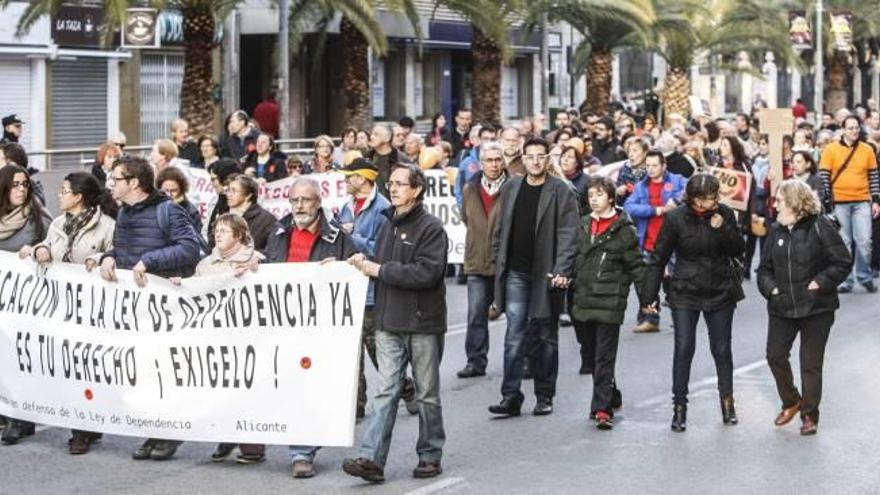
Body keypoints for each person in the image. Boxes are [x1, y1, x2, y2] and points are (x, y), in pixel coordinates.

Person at [344, 163, 448, 483]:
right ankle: (371, 458)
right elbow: (378, 263)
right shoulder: (387, 223)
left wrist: (378, 270)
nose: (393, 188)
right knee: (386, 391)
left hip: (421, 324)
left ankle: (430, 455)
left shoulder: (431, 228)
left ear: (416, 190)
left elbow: (427, 273)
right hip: (389, 322)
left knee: (427, 393)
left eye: (401, 184)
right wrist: (362, 262)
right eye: (391, 183)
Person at [99, 156, 202, 460]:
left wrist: (151, 261)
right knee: (143, 373)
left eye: (115, 178)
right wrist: (109, 256)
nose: (110, 184)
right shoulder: (125, 213)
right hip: (135, 307)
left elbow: (190, 247)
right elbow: (123, 248)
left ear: (134, 183)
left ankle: (169, 432)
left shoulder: (167, 210)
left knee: (164, 372)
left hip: (165, 307)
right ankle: (153, 430)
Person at [264, 176, 358, 477]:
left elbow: (357, 266)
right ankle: (299, 448)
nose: (299, 206)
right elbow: (268, 271)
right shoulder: (278, 233)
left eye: (305, 200)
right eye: (294, 200)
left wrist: (342, 269)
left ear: (318, 202)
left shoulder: (338, 238)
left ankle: (302, 451)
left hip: (321, 328)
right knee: (291, 387)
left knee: (312, 388)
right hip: (285, 325)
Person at [640, 173, 745, 432]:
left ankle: (727, 402)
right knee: (684, 348)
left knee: (721, 349)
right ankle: (679, 407)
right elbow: (658, 257)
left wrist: (724, 229)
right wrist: (648, 296)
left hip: (720, 289)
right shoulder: (675, 218)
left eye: (715, 198)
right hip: (685, 290)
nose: (714, 202)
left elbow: (738, 249)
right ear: (696, 200)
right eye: (709, 199)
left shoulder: (725, 214)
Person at [21, 172, 115, 453]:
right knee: (70, 368)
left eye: (64, 191)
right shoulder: (58, 224)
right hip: (61, 309)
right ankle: (84, 425)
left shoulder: (107, 226)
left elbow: (115, 255)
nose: (59, 195)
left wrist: (99, 259)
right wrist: (40, 249)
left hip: (93, 311)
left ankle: (83, 430)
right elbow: (49, 246)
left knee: (87, 368)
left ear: (79, 197)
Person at [488, 137, 580, 418]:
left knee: (545, 336)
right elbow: (501, 227)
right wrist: (496, 258)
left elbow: (569, 233)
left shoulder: (561, 190)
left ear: (547, 159)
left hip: (547, 275)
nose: (536, 161)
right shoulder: (512, 186)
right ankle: (510, 396)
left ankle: (544, 395)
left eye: (541, 156)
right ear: (523, 159)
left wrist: (562, 269)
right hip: (515, 272)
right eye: (531, 156)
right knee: (514, 335)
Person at [757, 180, 851, 436]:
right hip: (782, 305)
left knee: (810, 364)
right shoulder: (775, 231)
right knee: (775, 356)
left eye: (780, 201)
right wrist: (771, 289)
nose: (775, 206)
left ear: (795, 203)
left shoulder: (820, 226)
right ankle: (791, 401)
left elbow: (842, 261)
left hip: (817, 307)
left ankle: (810, 414)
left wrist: (820, 282)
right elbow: (763, 270)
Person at [183, 213, 266, 465]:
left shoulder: (257, 261)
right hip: (216, 335)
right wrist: (181, 286)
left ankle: (253, 446)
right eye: (216, 230)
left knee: (247, 389)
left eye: (225, 231)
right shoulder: (206, 264)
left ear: (239, 235)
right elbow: (195, 291)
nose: (217, 234)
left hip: (247, 336)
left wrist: (254, 272)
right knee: (221, 387)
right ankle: (227, 435)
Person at [336, 158, 413, 420]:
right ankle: (355, 405)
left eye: (350, 176)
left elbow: (381, 250)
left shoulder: (383, 209)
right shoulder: (345, 207)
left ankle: (406, 388)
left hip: (372, 292)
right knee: (349, 352)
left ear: (363, 178)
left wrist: (350, 236)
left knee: (378, 352)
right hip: (349, 289)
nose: (345, 181)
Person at [572, 176, 644, 430]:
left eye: (599, 195)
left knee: (604, 357)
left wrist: (648, 300)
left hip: (609, 301)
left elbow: (637, 266)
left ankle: (602, 409)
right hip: (582, 298)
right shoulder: (583, 225)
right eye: (591, 195)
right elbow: (573, 256)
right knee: (590, 357)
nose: (594, 199)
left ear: (611, 198)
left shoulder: (624, 230)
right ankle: (610, 393)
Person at [0, 165, 51, 445]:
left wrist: (36, 250)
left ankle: (19, 418)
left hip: (26, 304)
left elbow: (56, 243)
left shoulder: (37, 216)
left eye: (25, 185)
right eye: (15, 185)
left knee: (18, 360)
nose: (21, 189)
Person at [457, 142, 508, 379]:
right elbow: (467, 218)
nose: (494, 165)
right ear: (482, 162)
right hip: (477, 260)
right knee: (476, 314)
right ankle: (475, 361)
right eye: (489, 160)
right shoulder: (470, 188)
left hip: (506, 262)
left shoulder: (513, 187)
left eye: (498, 160)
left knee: (517, 315)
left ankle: (524, 360)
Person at [624, 150, 686, 333]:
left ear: (664, 166)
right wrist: (654, 210)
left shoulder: (676, 180)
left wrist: (676, 200)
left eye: (654, 165)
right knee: (646, 284)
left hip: (673, 242)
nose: (650, 169)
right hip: (649, 242)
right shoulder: (641, 186)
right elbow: (629, 206)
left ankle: (679, 318)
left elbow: (691, 188)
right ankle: (651, 317)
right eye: (647, 165)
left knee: (675, 282)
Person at [819, 115, 880, 293]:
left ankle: (864, 275)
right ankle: (847, 280)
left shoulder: (867, 150)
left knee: (865, 241)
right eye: (850, 128)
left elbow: (874, 177)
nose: (854, 131)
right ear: (843, 129)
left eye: (856, 128)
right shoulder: (830, 150)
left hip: (862, 201)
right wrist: (827, 201)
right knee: (844, 242)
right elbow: (824, 176)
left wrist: (876, 200)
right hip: (840, 202)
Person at [223, 174, 277, 254]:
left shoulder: (267, 219)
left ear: (248, 195)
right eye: (228, 190)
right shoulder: (226, 217)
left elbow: (271, 251)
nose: (228, 194)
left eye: (234, 191)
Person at [206, 159, 242, 250]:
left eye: (214, 179)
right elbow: (206, 229)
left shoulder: (243, 203)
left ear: (224, 178)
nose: (212, 183)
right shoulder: (215, 201)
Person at [156, 166, 203, 235]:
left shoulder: (191, 212)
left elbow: (194, 239)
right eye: (166, 190)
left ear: (182, 190)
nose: (169, 194)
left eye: (174, 190)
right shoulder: (152, 207)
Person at [368, 124, 410, 196]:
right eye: (372, 134)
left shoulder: (401, 160)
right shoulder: (367, 158)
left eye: (376, 134)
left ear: (387, 138)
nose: (371, 137)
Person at [615, 138, 650, 203]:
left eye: (635, 151)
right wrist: (619, 192)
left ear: (645, 152)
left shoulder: (652, 171)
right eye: (629, 151)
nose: (631, 154)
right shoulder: (624, 169)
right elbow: (617, 196)